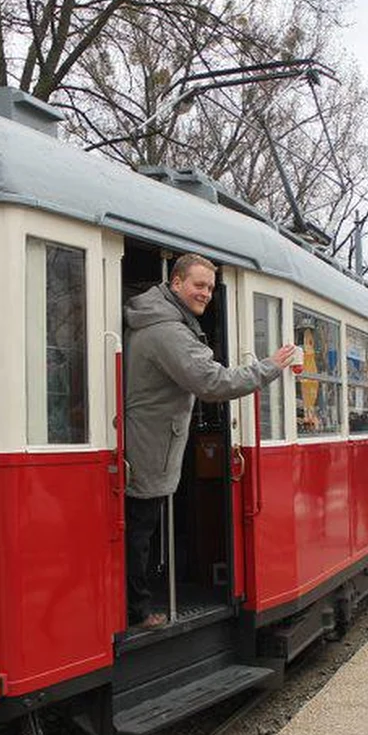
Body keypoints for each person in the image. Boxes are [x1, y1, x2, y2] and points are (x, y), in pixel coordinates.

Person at [124, 253, 295, 629]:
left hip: (148, 440)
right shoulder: (168, 331)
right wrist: (270, 367)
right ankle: (136, 610)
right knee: (140, 529)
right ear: (176, 283)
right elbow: (213, 383)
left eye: (211, 288)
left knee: (141, 527)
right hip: (150, 444)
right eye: (199, 285)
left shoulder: (158, 320)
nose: (206, 293)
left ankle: (136, 603)